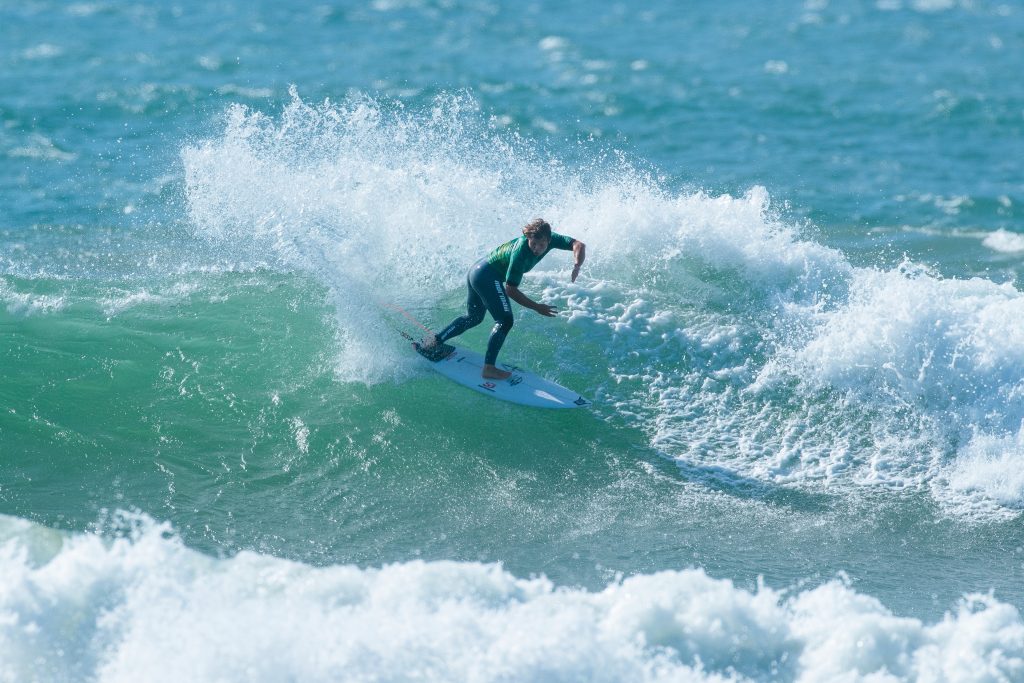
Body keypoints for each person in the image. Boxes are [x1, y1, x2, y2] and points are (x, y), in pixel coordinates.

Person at [419, 218, 587, 380]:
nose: (536, 248)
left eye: (541, 245)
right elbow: (511, 290)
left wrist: (577, 265)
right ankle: (489, 368)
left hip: (478, 270)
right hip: (485, 276)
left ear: (548, 241)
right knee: (505, 321)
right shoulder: (521, 253)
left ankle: (434, 342)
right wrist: (537, 307)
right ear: (528, 238)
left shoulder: (551, 239)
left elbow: (578, 244)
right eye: (533, 243)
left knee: (474, 317)